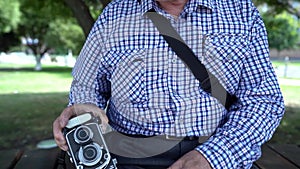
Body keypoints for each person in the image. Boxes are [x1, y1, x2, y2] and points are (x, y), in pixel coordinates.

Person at [53, 0, 285, 168]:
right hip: (126, 156)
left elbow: (264, 100)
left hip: (219, 150)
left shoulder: (241, 12)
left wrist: (214, 157)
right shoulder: (113, 14)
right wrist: (85, 108)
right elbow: (86, 85)